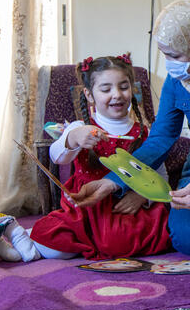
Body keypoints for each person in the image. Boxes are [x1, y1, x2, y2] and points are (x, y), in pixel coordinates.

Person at [71, 0, 190, 255]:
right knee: (188, 241)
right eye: (164, 54)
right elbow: (161, 137)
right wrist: (114, 181)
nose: (169, 64)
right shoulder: (179, 75)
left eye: (174, 55)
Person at [29, 54, 171, 260]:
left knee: (156, 237)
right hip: (88, 208)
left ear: (132, 90)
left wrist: (143, 197)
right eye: (106, 89)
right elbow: (58, 156)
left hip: (127, 206)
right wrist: (73, 138)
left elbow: (160, 176)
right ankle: (17, 235)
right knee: (52, 244)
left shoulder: (145, 133)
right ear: (89, 94)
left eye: (124, 87)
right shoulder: (81, 128)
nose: (117, 95)